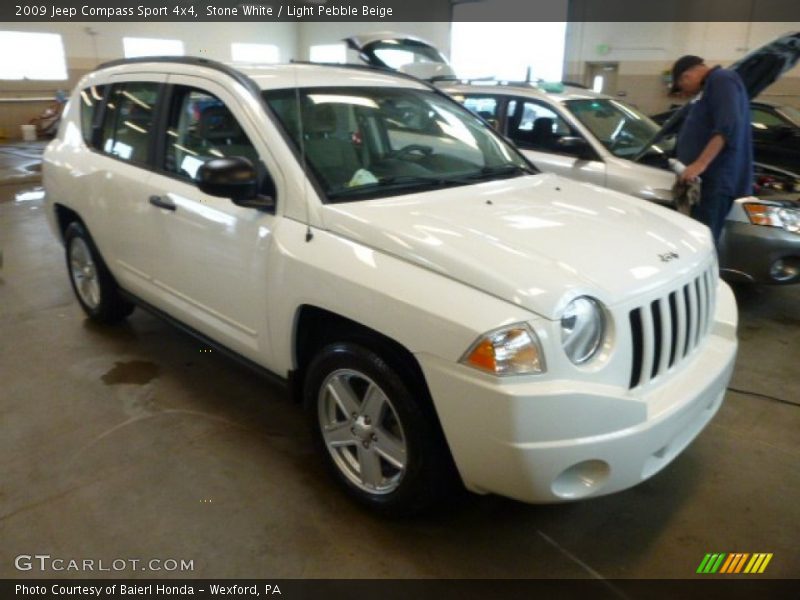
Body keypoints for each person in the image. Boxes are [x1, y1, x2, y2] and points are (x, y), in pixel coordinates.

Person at [670, 55, 753, 246]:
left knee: (703, 242)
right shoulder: (712, 85)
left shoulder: (722, 79)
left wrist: (700, 163)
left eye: (681, 86)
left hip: (716, 180)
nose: (684, 91)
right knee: (699, 238)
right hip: (708, 181)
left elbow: (727, 126)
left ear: (687, 76)